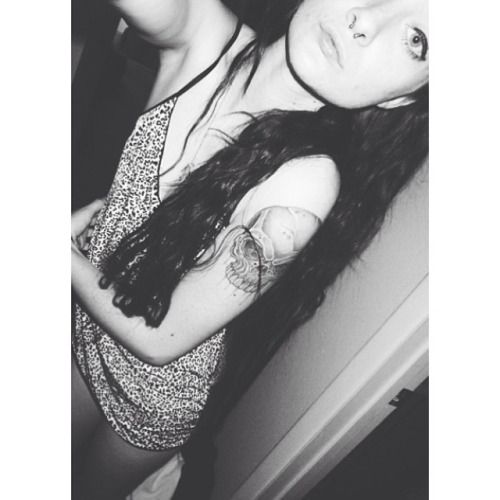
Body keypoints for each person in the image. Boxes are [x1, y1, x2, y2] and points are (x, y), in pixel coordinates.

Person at [71, 0, 429, 498]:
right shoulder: (206, 39)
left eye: (416, 40)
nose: (365, 22)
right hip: (86, 324)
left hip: (149, 394)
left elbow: (159, 338)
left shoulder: (306, 182)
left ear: (400, 99)